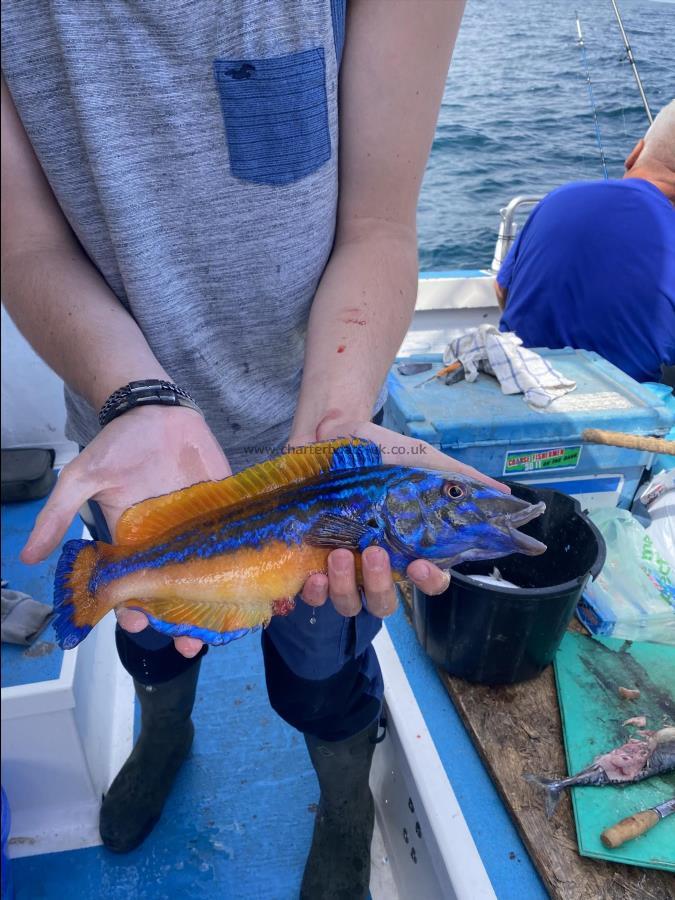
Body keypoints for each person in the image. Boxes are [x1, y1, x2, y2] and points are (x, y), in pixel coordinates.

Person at [2, 3, 502, 897]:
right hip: (127, 440)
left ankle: (344, 806)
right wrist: (139, 397)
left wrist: (337, 418)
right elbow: (25, 242)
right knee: (150, 633)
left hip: (321, 423)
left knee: (324, 674)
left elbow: (378, 226)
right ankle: (165, 734)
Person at [495, 100, 675, 386]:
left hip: (514, 387)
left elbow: (502, 288)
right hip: (622, 417)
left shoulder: (558, 198)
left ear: (635, 152)